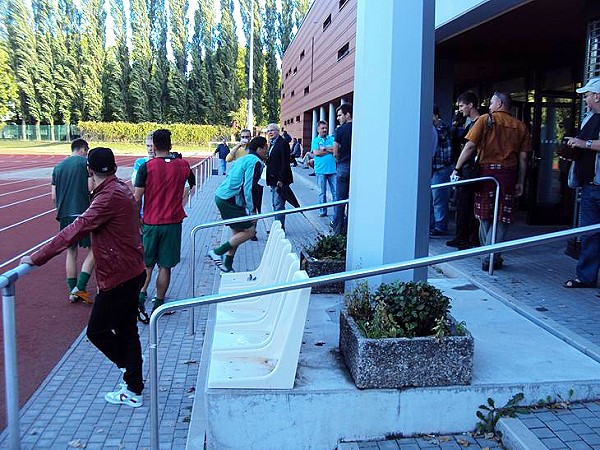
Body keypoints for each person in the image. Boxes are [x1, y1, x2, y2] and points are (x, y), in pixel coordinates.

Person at [21, 147, 146, 408]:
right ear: (112, 167)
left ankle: (131, 375)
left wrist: (36, 257)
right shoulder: (118, 189)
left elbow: (73, 231)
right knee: (126, 330)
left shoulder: (107, 197)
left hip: (119, 275)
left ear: (90, 170)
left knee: (97, 331)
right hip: (130, 270)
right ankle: (133, 384)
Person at [452, 92, 531, 271]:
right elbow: (524, 157)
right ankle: (493, 254)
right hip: (508, 175)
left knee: (484, 215)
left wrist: (457, 168)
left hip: (486, 174)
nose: (489, 106)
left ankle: (488, 254)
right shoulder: (520, 126)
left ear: (500, 103)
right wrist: (521, 180)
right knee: (503, 217)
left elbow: (470, 146)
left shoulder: (484, 120)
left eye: (492, 103)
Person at [134, 129, 196, 313]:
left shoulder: (146, 167)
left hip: (151, 222)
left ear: (153, 146)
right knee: (165, 266)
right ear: (170, 145)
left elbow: (137, 198)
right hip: (173, 222)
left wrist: (138, 219)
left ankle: (140, 296)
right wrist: (179, 199)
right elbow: (191, 184)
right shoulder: (183, 165)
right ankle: (159, 304)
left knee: (147, 264)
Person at [207, 136, 269, 272]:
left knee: (238, 232)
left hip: (224, 196)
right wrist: (252, 210)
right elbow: (248, 187)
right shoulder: (255, 162)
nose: (267, 151)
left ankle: (228, 265)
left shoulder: (246, 158)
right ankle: (217, 252)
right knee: (250, 231)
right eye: (266, 148)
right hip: (229, 199)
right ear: (259, 149)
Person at [563, 77, 600, 288]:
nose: (585, 100)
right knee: (589, 233)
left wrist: (583, 143)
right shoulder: (589, 119)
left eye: (586, 95)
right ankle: (586, 277)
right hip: (588, 186)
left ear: (597, 95)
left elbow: (587, 144)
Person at [51, 138, 95, 304]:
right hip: (83, 213)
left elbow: (53, 196)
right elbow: (91, 187)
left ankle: (72, 290)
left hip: (65, 215)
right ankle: (81, 286)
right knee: (94, 249)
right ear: (83, 149)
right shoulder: (85, 164)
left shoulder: (58, 167)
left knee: (71, 252)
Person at [447, 92, 481, 250]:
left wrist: (457, 168)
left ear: (470, 105)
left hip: (471, 169)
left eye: (461, 106)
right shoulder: (468, 124)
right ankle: (461, 236)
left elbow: (470, 147)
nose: (460, 109)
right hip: (466, 168)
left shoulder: (480, 123)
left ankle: (469, 238)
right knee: (462, 204)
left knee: (469, 205)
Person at [430, 105, 454, 236]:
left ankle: (440, 226)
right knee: (432, 198)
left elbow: (444, 141)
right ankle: (433, 224)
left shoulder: (441, 127)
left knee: (439, 197)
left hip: (441, 167)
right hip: (433, 167)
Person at [265, 123, 293, 230]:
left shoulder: (283, 143)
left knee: (278, 205)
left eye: (272, 130)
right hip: (273, 179)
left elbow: (285, 163)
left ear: (278, 131)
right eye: (268, 131)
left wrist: (281, 179)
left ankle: (280, 229)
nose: (270, 133)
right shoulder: (272, 143)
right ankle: (277, 227)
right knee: (275, 204)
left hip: (279, 180)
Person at [333, 103, 353, 235]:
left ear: (348, 114)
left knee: (340, 200)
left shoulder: (340, 130)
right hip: (357, 167)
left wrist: (339, 159)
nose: (338, 118)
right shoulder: (360, 127)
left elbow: (335, 152)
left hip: (343, 166)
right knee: (354, 200)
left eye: (340, 115)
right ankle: (351, 228)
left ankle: (338, 231)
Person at [311, 120, 337, 218]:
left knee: (335, 192)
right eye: (322, 128)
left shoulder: (331, 138)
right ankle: (323, 211)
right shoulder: (315, 141)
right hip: (320, 170)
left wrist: (324, 149)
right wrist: (329, 150)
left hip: (332, 170)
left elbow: (335, 149)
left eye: (326, 128)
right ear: (318, 129)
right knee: (322, 192)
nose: (325, 130)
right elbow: (316, 153)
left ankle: (337, 211)